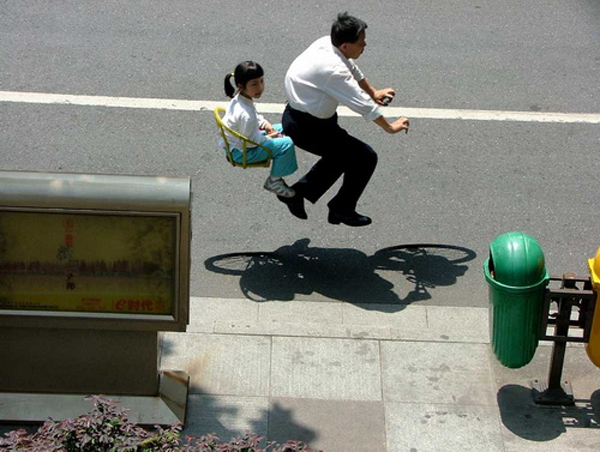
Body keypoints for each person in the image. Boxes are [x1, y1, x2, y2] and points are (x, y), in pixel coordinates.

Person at [280, 12, 410, 226]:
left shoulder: (326, 43)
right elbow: (363, 105)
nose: (365, 46)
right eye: (361, 43)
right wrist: (390, 127)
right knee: (365, 157)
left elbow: (353, 69)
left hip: (302, 117)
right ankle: (341, 208)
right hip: (308, 127)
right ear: (346, 46)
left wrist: (373, 91)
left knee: (343, 156)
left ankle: (298, 194)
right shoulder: (333, 70)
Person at [221, 61, 298, 198]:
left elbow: (255, 118)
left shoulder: (240, 99)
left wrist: (265, 124)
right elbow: (250, 142)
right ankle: (274, 181)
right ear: (241, 85)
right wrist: (270, 137)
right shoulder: (246, 115)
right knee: (287, 144)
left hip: (239, 142)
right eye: (254, 84)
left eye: (261, 81)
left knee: (283, 128)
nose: (260, 87)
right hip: (242, 152)